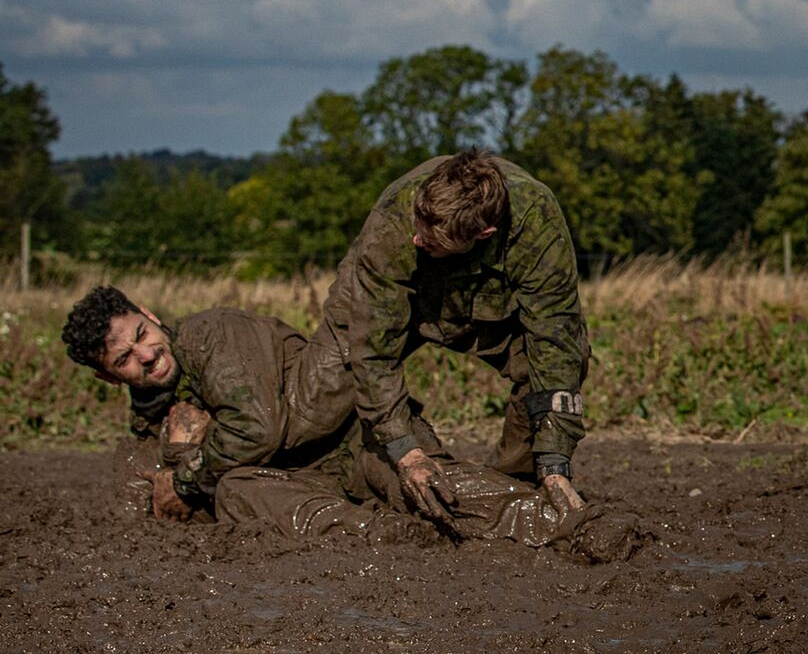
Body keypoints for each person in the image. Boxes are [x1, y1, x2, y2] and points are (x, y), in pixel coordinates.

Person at [60, 285, 640, 560]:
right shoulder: (151, 414)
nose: (145, 354)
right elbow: (142, 497)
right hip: (300, 480)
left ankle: (575, 525)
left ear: (152, 317)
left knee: (424, 484)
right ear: (112, 378)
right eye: (125, 360)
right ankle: (383, 538)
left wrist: (187, 475)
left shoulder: (210, 336)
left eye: (141, 334)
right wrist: (173, 467)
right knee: (237, 489)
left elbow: (257, 429)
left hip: (355, 436)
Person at [317, 148, 590, 519]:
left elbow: (556, 337)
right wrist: (405, 451)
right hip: (392, 288)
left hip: (491, 299)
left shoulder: (535, 219)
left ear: (484, 233)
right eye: (419, 227)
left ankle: (511, 490)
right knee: (326, 384)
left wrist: (555, 461)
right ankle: (335, 467)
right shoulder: (398, 222)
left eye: (432, 239)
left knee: (549, 363)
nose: (418, 239)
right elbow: (371, 347)